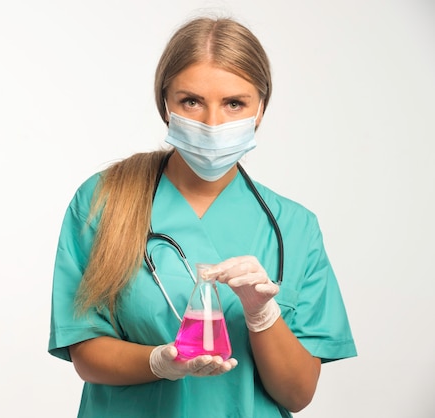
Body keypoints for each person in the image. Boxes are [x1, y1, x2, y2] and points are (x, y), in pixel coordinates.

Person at [48, 14, 357, 418]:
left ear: (260, 109)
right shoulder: (104, 201)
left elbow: (297, 394)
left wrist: (262, 314)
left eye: (234, 104)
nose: (213, 124)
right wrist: (160, 362)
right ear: (166, 105)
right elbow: (85, 352)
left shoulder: (294, 228)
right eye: (191, 101)